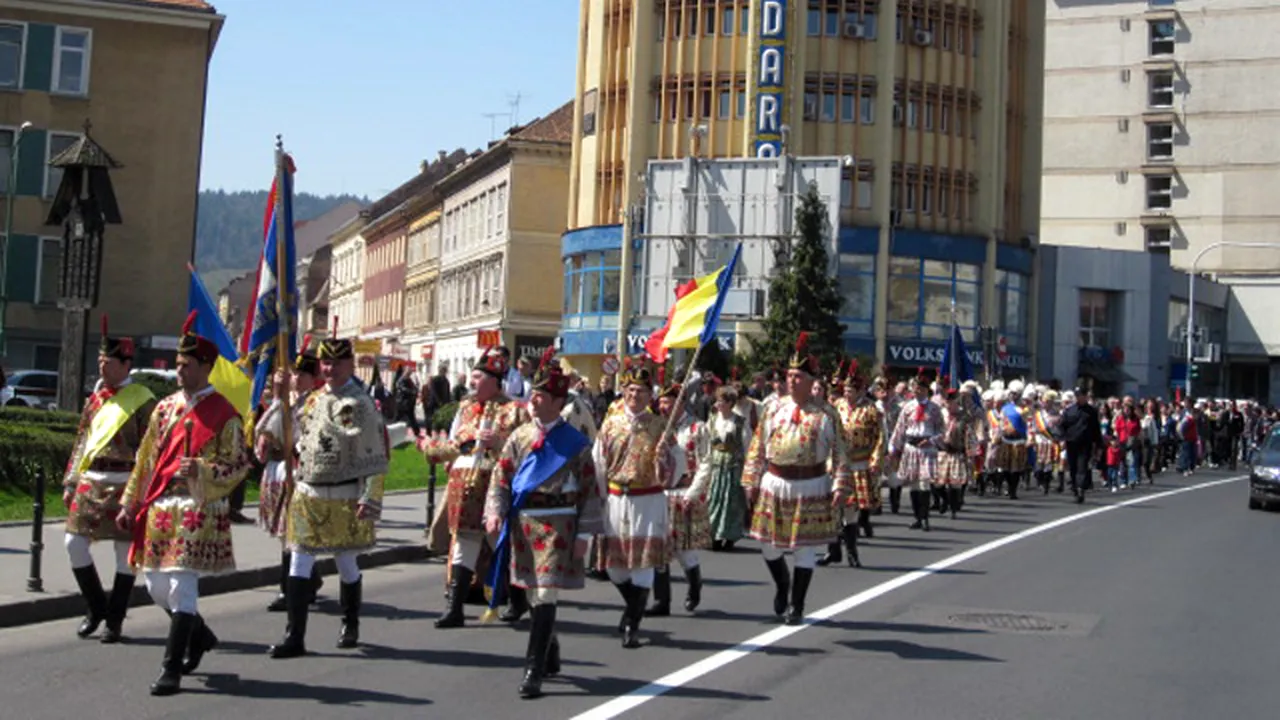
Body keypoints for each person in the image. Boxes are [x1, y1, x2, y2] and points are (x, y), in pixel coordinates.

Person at [117, 310, 251, 696]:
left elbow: (238, 464)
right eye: (177, 364)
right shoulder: (165, 408)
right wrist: (130, 503)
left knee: (182, 587)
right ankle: (201, 633)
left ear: (205, 367)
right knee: (157, 588)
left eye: (186, 364)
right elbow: (146, 460)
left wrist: (203, 470)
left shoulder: (224, 413)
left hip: (198, 510)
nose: (179, 370)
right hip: (161, 508)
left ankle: (171, 668)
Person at [482, 348, 602, 699]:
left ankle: (532, 669)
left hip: (558, 524)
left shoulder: (576, 444)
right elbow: (501, 479)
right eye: (533, 394)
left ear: (557, 402)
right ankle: (550, 647)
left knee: (546, 590)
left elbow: (589, 492)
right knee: (533, 592)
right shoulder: (519, 438)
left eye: (541, 396)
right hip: (523, 522)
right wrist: (494, 511)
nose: (533, 401)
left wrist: (584, 533)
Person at [268, 328, 390, 659]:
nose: (329, 369)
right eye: (324, 362)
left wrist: (371, 496)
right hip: (308, 493)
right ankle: (295, 635)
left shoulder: (360, 404)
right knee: (298, 562)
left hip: (344, 495)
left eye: (337, 363)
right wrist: (280, 398)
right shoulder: (310, 400)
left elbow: (375, 453)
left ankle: (350, 623)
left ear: (350, 365)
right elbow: (284, 434)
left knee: (346, 562)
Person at [742, 333, 851, 625]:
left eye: (798, 376)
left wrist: (840, 484)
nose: (791, 381)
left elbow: (840, 452)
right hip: (775, 482)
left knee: (805, 548)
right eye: (789, 375)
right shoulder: (774, 409)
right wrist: (750, 480)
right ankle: (781, 583)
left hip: (812, 485)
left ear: (811, 380)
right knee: (768, 545)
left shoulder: (826, 414)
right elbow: (757, 446)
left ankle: (797, 606)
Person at [62, 315, 157, 643]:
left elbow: (150, 449)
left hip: (125, 480)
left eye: (109, 362)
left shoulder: (143, 401)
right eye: (100, 361)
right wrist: (70, 481)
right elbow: (82, 441)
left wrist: (142, 492)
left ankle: (114, 619)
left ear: (125, 363)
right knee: (73, 543)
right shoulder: (95, 398)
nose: (102, 367)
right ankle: (96, 606)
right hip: (92, 478)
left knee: (124, 554)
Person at [423, 348, 530, 628]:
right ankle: (454, 607)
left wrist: (499, 442)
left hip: (495, 485)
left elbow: (526, 450)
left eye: (478, 377)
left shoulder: (515, 411)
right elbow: (455, 444)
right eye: (472, 376)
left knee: (500, 543)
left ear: (495, 381)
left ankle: (519, 601)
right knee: (464, 543)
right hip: (465, 484)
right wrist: (438, 449)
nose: (472, 382)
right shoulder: (465, 408)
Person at [592, 357, 678, 647]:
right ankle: (633, 607)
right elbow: (598, 462)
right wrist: (600, 499)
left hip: (648, 499)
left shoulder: (660, 426)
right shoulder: (610, 424)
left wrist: (666, 456)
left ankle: (632, 625)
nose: (634, 396)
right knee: (615, 568)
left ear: (650, 395)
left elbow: (679, 467)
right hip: (616, 499)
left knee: (642, 565)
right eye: (629, 390)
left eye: (641, 391)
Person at [254, 339, 324, 612]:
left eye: (302, 374)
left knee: (290, 533)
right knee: (286, 533)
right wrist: (279, 398)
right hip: (277, 470)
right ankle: (309, 580)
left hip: (298, 471)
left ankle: (289, 589)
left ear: (312, 377)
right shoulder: (286, 400)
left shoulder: (315, 404)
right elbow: (264, 429)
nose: (296, 379)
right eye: (294, 373)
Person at [648, 380, 710, 617]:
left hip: (683, 492)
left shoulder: (697, 428)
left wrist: (694, 492)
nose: (664, 406)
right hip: (658, 493)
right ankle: (661, 600)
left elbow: (706, 463)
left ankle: (694, 583)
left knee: (684, 550)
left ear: (681, 402)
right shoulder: (656, 429)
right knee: (658, 548)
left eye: (669, 401)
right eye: (661, 401)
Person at [823, 359, 881, 567]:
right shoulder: (836, 408)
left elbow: (880, 437)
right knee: (832, 508)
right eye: (845, 390)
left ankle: (852, 551)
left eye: (851, 390)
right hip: (837, 463)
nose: (847, 394)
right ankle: (833, 550)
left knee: (850, 510)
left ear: (860, 390)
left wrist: (875, 460)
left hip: (858, 463)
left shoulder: (870, 410)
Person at [889, 369, 946, 530]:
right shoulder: (907, 408)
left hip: (927, 448)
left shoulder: (934, 409)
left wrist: (931, 440)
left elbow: (942, 430)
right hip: (911, 448)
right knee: (913, 484)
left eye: (920, 388)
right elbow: (900, 429)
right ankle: (917, 517)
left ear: (927, 390)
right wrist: (894, 448)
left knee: (924, 483)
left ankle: (925, 517)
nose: (917, 391)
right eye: (915, 388)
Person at [705, 385, 750, 550]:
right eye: (717, 401)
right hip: (716, 465)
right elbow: (706, 444)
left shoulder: (739, 422)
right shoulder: (712, 420)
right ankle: (714, 535)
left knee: (731, 502)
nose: (718, 404)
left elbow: (747, 445)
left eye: (722, 401)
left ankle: (730, 536)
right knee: (714, 499)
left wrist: (747, 469)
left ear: (730, 403)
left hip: (733, 466)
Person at [1059, 390, 1102, 503]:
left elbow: (1096, 429)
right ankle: (1074, 487)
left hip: (1085, 443)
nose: (1080, 398)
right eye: (1078, 396)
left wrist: (1098, 445)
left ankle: (1080, 489)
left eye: (1082, 396)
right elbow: (1062, 426)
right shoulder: (1069, 410)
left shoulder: (1091, 411)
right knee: (1073, 467)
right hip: (1071, 442)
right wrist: (1062, 439)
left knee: (1082, 467)